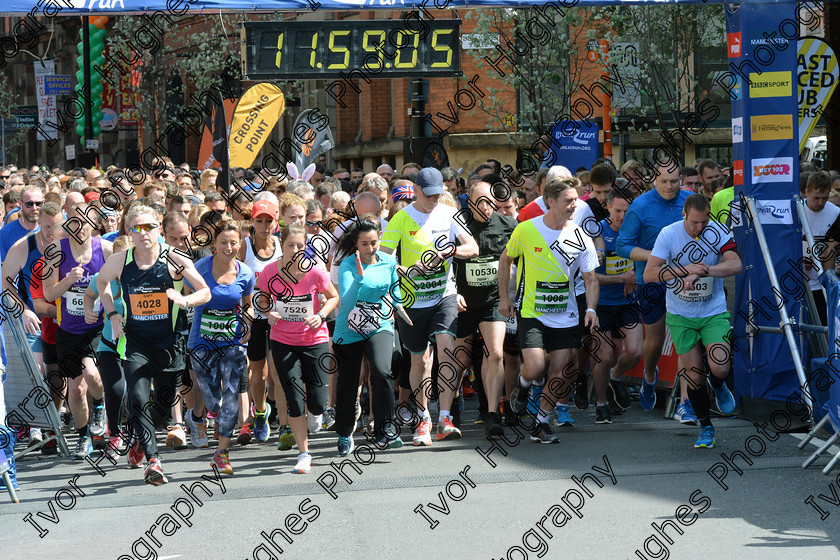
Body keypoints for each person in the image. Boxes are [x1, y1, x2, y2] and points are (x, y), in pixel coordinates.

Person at [97, 204, 211, 485]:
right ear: (129, 231)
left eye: (149, 227)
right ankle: (153, 460)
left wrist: (185, 301)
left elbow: (205, 292)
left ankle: (137, 442)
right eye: (137, 228)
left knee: (160, 410)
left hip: (169, 344)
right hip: (135, 342)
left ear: (158, 229)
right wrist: (113, 315)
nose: (144, 233)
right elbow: (101, 285)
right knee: (137, 398)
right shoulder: (119, 261)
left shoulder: (175, 259)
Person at [380, 168, 479, 446]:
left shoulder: (448, 215)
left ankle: (445, 418)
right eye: (430, 194)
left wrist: (451, 251)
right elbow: (383, 260)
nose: (436, 198)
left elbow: (473, 248)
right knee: (420, 360)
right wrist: (409, 270)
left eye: (439, 193)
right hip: (412, 301)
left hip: (443, 295)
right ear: (418, 190)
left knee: (447, 349)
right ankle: (423, 418)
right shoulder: (401, 218)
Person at [499, 176, 600, 443]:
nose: (573, 205)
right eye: (568, 201)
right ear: (550, 201)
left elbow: (590, 279)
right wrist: (504, 298)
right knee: (535, 367)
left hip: (566, 315)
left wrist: (591, 309)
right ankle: (522, 387)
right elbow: (505, 260)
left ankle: (541, 422)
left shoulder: (580, 235)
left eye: (576, 200)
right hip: (532, 312)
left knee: (561, 369)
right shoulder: (526, 229)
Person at [643, 194, 740, 447]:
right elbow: (650, 273)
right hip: (680, 315)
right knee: (694, 377)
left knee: (720, 366)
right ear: (684, 215)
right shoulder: (668, 234)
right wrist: (685, 270)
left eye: (704, 221)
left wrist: (706, 270)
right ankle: (706, 428)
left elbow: (736, 264)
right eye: (695, 223)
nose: (700, 228)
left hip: (713, 312)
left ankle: (718, 385)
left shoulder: (717, 230)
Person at [259, 224, 340, 474]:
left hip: (313, 339)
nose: (295, 251)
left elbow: (334, 296)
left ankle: (318, 412)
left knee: (316, 401)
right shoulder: (270, 271)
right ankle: (304, 453)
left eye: (300, 246)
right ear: (280, 246)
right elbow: (261, 299)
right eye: (290, 246)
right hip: (283, 340)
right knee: (294, 398)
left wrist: (322, 314)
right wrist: (267, 312)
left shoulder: (315, 270)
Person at [616, 162, 691, 413]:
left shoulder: (691, 200)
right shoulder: (640, 206)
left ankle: (685, 402)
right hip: (651, 279)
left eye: (674, 181)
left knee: (685, 338)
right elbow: (622, 245)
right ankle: (649, 376)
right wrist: (654, 256)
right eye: (663, 182)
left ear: (681, 178)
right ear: (653, 181)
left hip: (685, 279)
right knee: (655, 341)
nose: (669, 187)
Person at [332, 218, 410, 455]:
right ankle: (345, 431)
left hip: (380, 325)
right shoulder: (347, 265)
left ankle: (385, 429)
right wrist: (359, 277)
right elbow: (346, 302)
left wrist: (399, 307)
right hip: (349, 328)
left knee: (382, 371)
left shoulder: (388, 261)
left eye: (374, 243)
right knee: (348, 381)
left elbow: (393, 289)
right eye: (364, 244)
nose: (370, 248)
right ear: (356, 244)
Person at [42, 203, 113, 459]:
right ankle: (84, 438)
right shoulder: (55, 252)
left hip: (96, 326)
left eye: (84, 222)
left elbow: (118, 286)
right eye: (73, 222)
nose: (79, 227)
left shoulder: (104, 249)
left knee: (92, 374)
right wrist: (69, 280)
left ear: (93, 224)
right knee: (75, 389)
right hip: (68, 329)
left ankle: (100, 407)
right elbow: (49, 293)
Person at [185, 220, 254, 476]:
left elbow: (248, 304)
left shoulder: (245, 272)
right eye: (223, 242)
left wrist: (248, 323)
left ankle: (221, 453)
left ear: (240, 243)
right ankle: (208, 412)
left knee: (232, 395)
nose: (228, 247)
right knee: (213, 398)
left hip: (233, 342)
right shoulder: (199, 268)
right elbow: (188, 294)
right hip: (202, 342)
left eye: (234, 242)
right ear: (214, 243)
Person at [452, 181, 517, 436]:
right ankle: (453, 406)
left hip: (493, 300)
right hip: (463, 301)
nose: (487, 208)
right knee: (460, 360)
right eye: (481, 203)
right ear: (470, 201)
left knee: (496, 354)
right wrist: (453, 293)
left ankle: (493, 413)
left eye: (491, 203)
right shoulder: (458, 224)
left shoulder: (508, 225)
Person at [590, 188, 643, 424]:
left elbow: (653, 259)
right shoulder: (597, 231)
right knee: (604, 356)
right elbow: (588, 278)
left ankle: (616, 376)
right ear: (608, 207)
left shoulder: (637, 231)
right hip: (601, 303)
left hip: (627, 302)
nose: (622, 216)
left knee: (634, 351)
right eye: (618, 210)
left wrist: (636, 271)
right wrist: (621, 278)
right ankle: (601, 404)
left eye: (627, 211)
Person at [238, 200, 285, 444]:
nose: (265, 226)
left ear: (276, 221)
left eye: (269, 221)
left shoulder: (281, 245)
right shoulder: (244, 247)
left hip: (280, 317)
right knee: (259, 374)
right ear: (252, 222)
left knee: (279, 371)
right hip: (254, 317)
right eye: (260, 221)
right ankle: (260, 411)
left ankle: (286, 420)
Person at [84, 235, 133, 458]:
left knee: (137, 393)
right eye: (119, 258)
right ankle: (114, 434)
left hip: (137, 344)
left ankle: (136, 437)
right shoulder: (102, 277)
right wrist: (88, 310)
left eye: (128, 257)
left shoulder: (144, 278)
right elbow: (88, 294)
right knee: (115, 389)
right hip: (109, 343)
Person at [801, 171, 840, 326]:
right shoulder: (795, 210)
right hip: (798, 282)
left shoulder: (835, 213)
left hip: (822, 283)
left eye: (824, 198)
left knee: (825, 326)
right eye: (816, 198)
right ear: (806, 192)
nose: (820, 203)